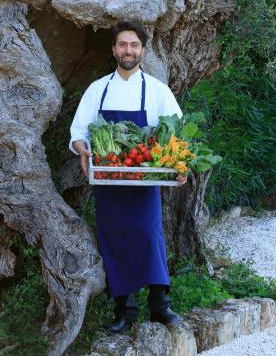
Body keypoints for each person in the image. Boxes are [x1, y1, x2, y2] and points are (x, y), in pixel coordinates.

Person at [68, 21, 187, 333]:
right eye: (123, 45)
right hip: (108, 180)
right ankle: (125, 311)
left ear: (143, 51)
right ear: (114, 49)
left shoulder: (158, 91)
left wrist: (180, 165)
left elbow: (179, 134)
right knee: (115, 242)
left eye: (134, 45)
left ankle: (160, 306)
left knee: (150, 237)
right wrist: (82, 150)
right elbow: (79, 132)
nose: (128, 51)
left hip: (144, 179)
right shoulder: (97, 90)